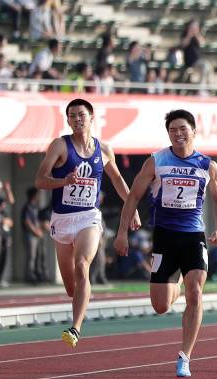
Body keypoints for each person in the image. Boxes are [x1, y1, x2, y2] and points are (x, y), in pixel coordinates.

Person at [113, 109, 217, 377]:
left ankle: (185, 356)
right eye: (173, 130)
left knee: (195, 294)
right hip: (164, 235)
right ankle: (177, 282)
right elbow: (133, 197)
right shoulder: (156, 161)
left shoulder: (208, 165)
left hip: (193, 236)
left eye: (182, 129)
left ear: (193, 131)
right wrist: (121, 232)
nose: (178, 134)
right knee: (161, 306)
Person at [35, 98, 141, 348]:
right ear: (68, 120)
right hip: (62, 219)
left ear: (92, 118)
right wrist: (63, 182)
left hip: (88, 217)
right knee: (72, 288)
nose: (77, 119)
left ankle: (75, 328)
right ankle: (78, 305)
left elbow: (117, 181)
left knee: (82, 265)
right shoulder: (60, 146)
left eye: (81, 114)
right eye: (72, 115)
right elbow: (40, 180)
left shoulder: (104, 150)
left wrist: (132, 206)